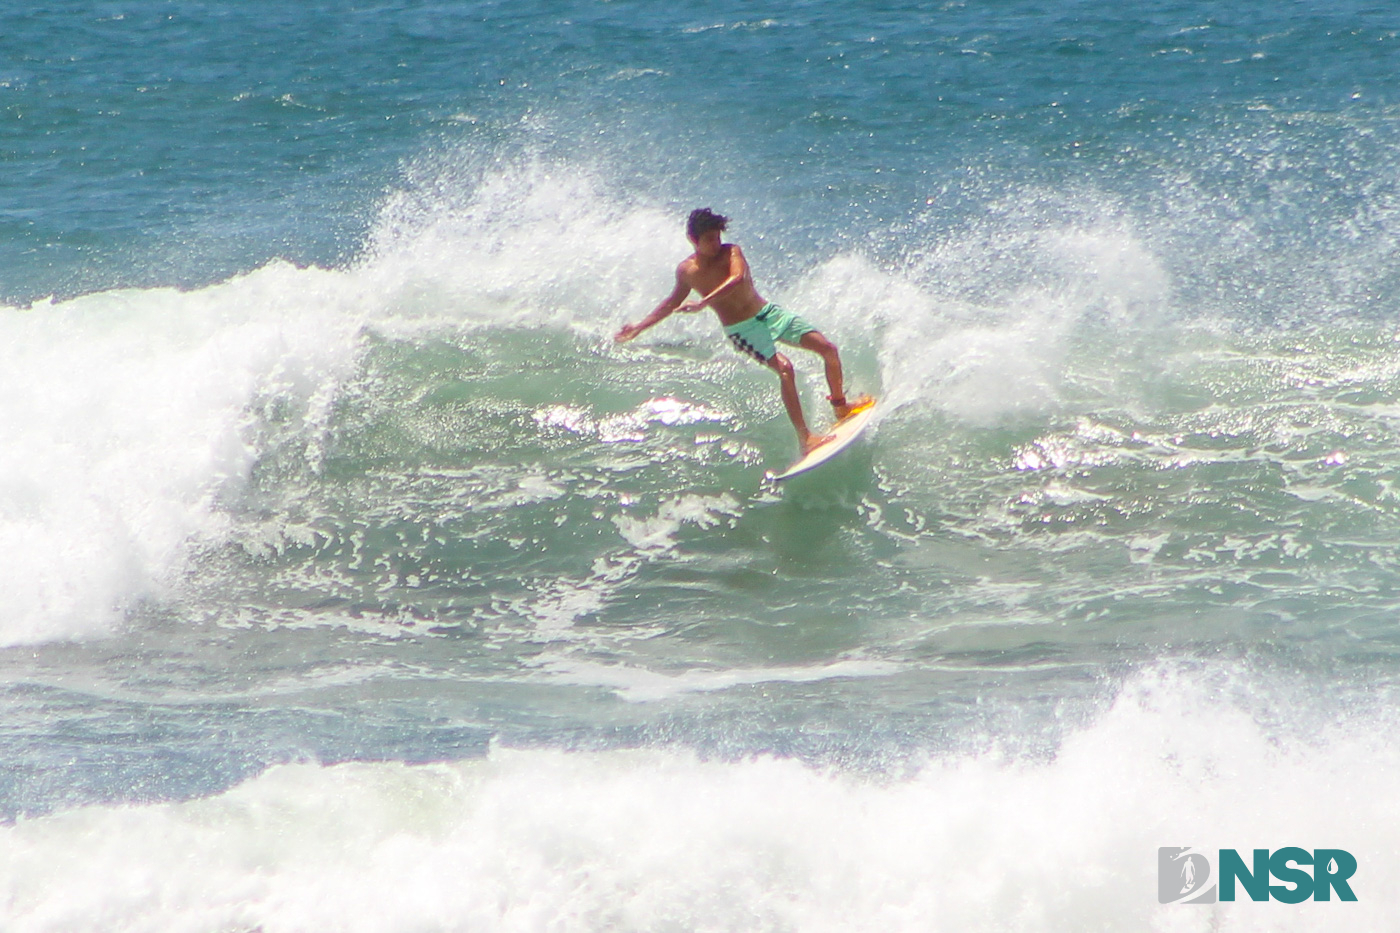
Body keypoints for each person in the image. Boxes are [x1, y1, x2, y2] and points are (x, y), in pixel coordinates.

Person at [615, 208, 869, 455]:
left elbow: (737, 278)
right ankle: (806, 438)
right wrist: (639, 327)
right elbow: (671, 302)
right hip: (742, 330)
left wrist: (703, 303)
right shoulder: (687, 272)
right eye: (709, 239)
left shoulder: (731, 251)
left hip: (768, 313)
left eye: (717, 237)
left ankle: (840, 406)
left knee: (827, 349)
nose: (716, 244)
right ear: (692, 239)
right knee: (785, 369)